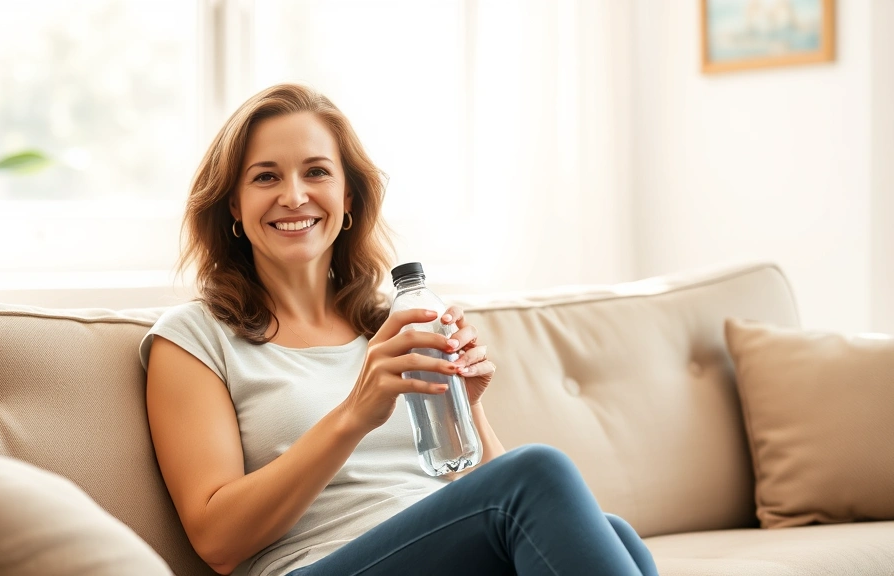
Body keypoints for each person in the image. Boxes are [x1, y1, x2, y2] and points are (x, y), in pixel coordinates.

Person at [140, 83, 659, 576]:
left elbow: (488, 491)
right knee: (540, 472)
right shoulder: (195, 337)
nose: (294, 196)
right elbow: (217, 542)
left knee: (613, 534)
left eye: (317, 172)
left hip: (439, 553)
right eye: (266, 176)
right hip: (317, 564)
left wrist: (467, 407)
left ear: (348, 198)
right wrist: (353, 414)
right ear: (234, 204)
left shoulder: (388, 327)